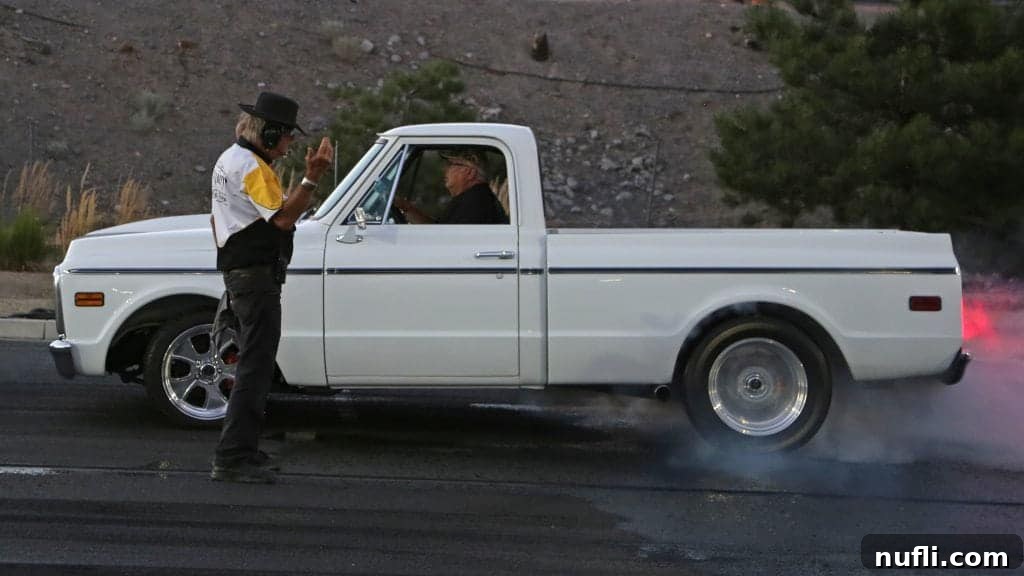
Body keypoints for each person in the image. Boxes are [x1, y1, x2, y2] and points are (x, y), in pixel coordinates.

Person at [209, 91, 333, 483]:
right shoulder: (253, 168)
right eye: (288, 136)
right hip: (256, 279)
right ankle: (232, 458)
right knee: (255, 369)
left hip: (243, 276)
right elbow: (281, 219)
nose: (292, 144)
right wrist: (312, 177)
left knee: (254, 366)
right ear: (272, 132)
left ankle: (241, 450)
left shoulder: (230, 159)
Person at [393, 150, 508, 224]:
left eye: (452, 164)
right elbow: (440, 230)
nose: (445, 170)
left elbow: (443, 239)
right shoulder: (473, 197)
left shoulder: (475, 202)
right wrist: (406, 207)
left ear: (470, 173)